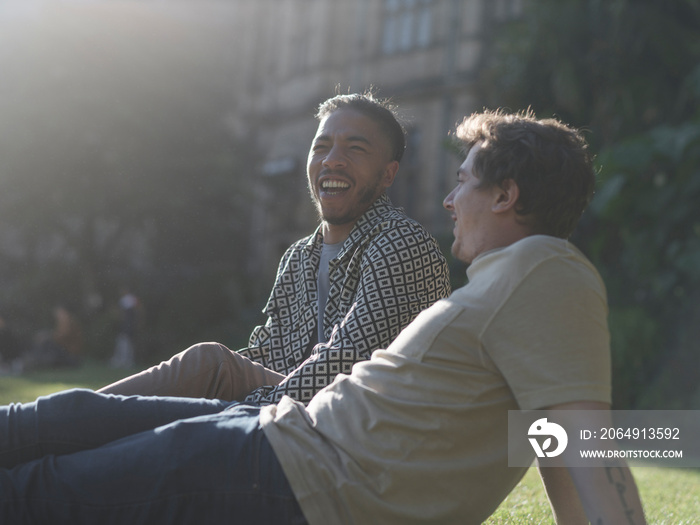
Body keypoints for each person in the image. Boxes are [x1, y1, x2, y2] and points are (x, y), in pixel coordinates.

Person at [0, 110, 647, 525]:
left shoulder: (545, 272)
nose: (449, 200)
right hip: (284, 436)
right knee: (66, 418)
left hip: (290, 473)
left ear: (507, 194)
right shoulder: (516, 285)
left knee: (44, 489)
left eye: (463, 181)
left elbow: (585, 445)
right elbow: (554, 443)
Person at [98, 92, 451, 405]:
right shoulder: (298, 256)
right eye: (321, 146)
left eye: (355, 148)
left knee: (208, 365)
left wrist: (249, 406)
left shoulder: (401, 241)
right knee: (205, 371)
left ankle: (65, 420)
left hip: (353, 419)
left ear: (388, 174)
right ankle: (62, 422)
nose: (332, 160)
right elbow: (266, 352)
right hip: (290, 405)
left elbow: (347, 361)